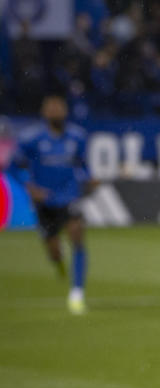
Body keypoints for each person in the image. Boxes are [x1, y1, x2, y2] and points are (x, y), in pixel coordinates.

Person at [13, 94, 95, 314]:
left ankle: (77, 293)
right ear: (44, 113)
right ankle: (59, 263)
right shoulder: (32, 138)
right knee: (54, 252)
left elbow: (84, 165)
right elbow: (14, 166)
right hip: (45, 200)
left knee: (77, 235)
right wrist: (30, 187)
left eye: (59, 108)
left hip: (69, 196)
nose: (56, 112)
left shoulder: (77, 137)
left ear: (65, 112)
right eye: (51, 108)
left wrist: (89, 179)